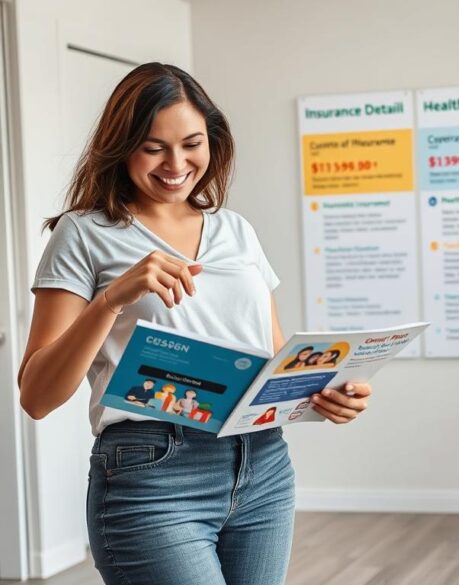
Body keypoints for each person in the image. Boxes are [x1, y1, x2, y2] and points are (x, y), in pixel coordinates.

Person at [17, 63, 372, 585]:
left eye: (192, 143)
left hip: (263, 465)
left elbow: (272, 359)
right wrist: (112, 299)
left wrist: (323, 392)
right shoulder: (83, 233)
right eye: (153, 146)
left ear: (213, 141)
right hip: (153, 472)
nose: (176, 164)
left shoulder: (237, 230)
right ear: (122, 146)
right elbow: (37, 396)